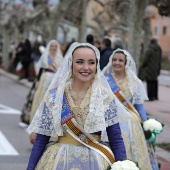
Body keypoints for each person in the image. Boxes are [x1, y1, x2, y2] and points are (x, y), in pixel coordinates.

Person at [27, 42, 127, 170]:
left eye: (91, 62)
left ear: (96, 66)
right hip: (59, 161)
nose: (86, 67)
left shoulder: (105, 97)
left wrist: (124, 165)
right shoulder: (55, 97)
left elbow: (116, 138)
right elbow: (41, 139)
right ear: (71, 64)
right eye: (80, 62)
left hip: (96, 161)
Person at [103, 49, 159, 170]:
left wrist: (146, 124)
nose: (117, 63)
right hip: (111, 121)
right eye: (114, 60)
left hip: (131, 124)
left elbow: (139, 106)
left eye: (120, 60)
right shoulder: (104, 80)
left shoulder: (134, 82)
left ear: (126, 63)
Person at [29, 40, 63, 144]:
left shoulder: (60, 58)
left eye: (55, 46)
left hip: (54, 81)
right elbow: (40, 70)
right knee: (40, 102)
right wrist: (38, 81)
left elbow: (61, 71)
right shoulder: (45, 57)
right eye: (52, 46)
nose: (53, 48)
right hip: (45, 79)